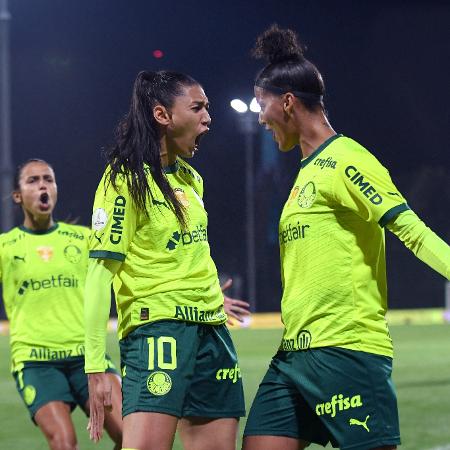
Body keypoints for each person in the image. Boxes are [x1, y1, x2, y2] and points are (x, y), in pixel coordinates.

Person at [243, 25, 450, 450]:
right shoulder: (304, 173)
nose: (260, 118)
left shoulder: (346, 161)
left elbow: (411, 231)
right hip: (294, 356)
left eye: (262, 106)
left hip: (346, 351)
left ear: (287, 102)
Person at [84, 70, 248, 450]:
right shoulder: (124, 180)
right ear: (163, 115)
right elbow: (99, 273)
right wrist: (95, 366)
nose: (208, 116)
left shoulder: (191, 179)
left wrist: (205, 295)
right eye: (198, 107)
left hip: (213, 334)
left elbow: (188, 253)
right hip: (158, 334)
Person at [0, 159, 123, 450]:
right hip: (36, 361)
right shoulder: (6, 246)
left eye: (48, 179)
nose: (43, 185)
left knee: (132, 435)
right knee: (64, 443)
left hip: (87, 358)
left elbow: (130, 268)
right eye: (33, 181)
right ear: (18, 195)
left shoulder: (83, 239)